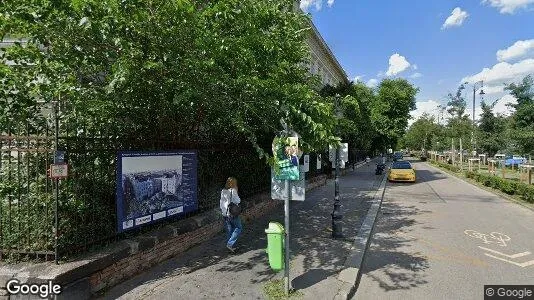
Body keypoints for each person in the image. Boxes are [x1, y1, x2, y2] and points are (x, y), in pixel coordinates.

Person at [220, 177, 242, 253]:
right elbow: (238, 200)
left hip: (225, 214)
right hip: (232, 213)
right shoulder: (233, 191)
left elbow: (221, 202)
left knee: (230, 229)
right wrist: (236, 191)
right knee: (238, 227)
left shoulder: (223, 191)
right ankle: (230, 244)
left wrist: (223, 212)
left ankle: (230, 245)